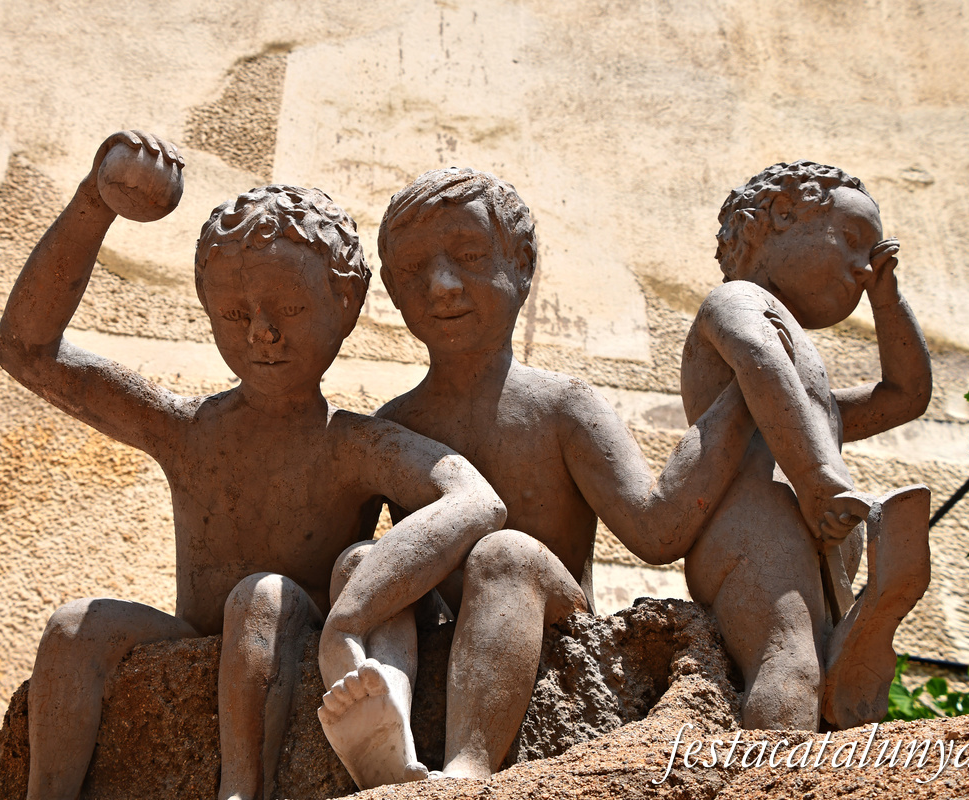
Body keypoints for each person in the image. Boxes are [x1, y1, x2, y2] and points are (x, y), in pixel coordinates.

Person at [0, 132, 506, 800]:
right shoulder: (184, 429)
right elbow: (27, 351)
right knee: (71, 626)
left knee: (261, 594)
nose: (261, 332)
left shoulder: (352, 444)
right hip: (193, 633)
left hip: (304, 632)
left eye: (289, 308)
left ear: (345, 304)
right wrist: (97, 201)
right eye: (235, 314)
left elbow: (474, 499)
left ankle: (243, 789)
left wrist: (356, 603)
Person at [316, 167, 756, 787]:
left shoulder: (562, 406)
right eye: (414, 272)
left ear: (521, 264)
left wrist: (743, 394)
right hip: (443, 631)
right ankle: (388, 736)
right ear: (391, 288)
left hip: (552, 612)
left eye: (469, 256)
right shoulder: (394, 426)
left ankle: (468, 767)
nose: (441, 286)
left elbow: (656, 532)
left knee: (505, 552)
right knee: (363, 562)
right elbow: (332, 565)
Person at [680, 160, 932, 730]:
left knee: (825, 679)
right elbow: (757, 360)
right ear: (781, 218)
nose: (864, 265)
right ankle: (774, 783)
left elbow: (905, 395)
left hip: (810, 540)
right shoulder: (739, 300)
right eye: (851, 240)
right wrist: (820, 479)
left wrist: (887, 300)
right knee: (790, 662)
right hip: (754, 525)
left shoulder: (806, 389)